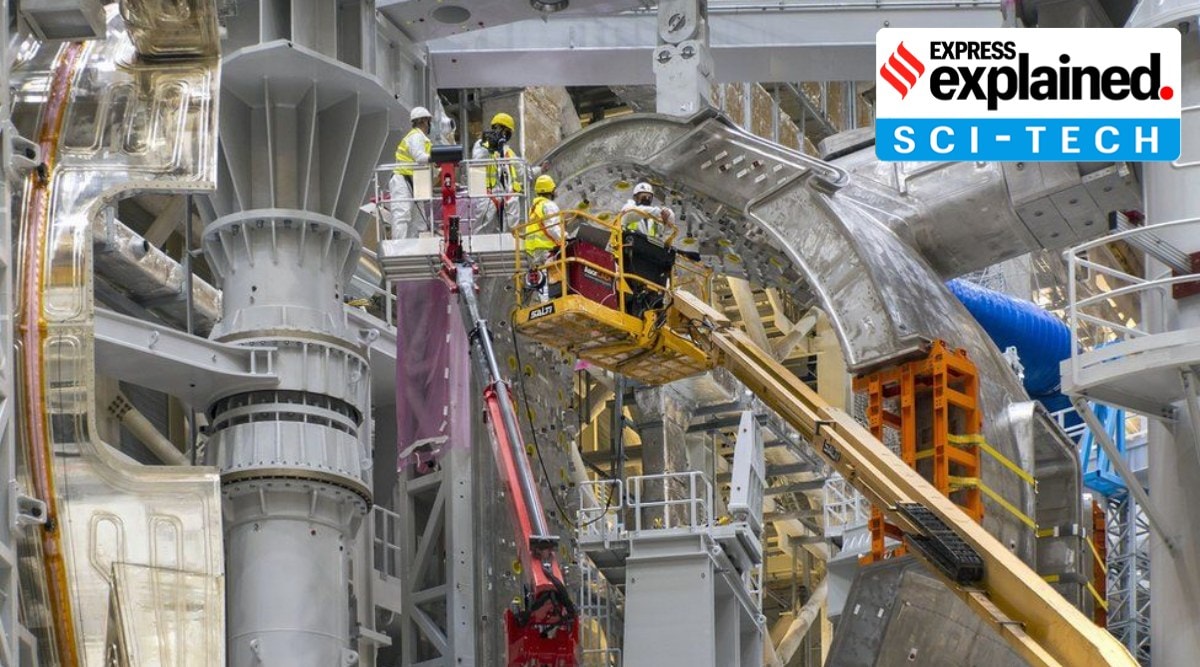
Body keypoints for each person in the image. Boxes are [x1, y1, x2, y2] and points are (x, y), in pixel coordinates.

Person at [472, 112, 541, 232]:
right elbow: (476, 161)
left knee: (510, 231)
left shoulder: (508, 151)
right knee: (483, 229)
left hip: (507, 197)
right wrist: (489, 148)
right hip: (488, 194)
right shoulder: (482, 144)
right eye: (506, 131)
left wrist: (540, 170)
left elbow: (522, 172)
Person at [390, 107, 433, 239]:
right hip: (403, 180)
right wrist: (436, 157)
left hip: (414, 181)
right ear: (424, 121)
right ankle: (399, 247)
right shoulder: (416, 136)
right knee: (402, 215)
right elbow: (419, 157)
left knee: (419, 221)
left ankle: (414, 247)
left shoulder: (422, 139)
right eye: (428, 122)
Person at [522, 175, 566, 302]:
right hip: (547, 248)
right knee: (550, 276)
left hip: (533, 251)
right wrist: (565, 239)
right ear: (551, 190)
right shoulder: (549, 205)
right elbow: (552, 227)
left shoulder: (534, 208)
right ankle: (549, 303)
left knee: (541, 278)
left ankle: (543, 304)